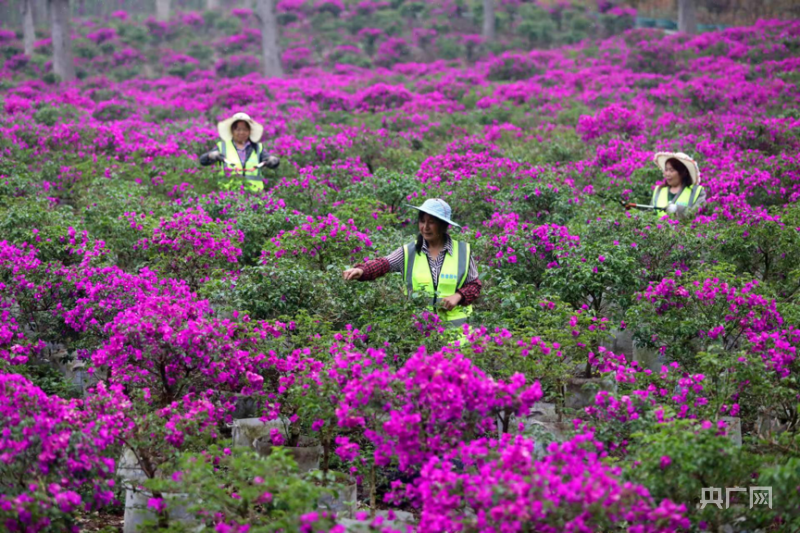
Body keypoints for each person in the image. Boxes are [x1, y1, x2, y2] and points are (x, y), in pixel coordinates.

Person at [342, 198, 481, 329]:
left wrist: (458, 296)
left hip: (456, 335)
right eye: (422, 221)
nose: (425, 227)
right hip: (420, 330)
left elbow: (474, 286)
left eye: (431, 222)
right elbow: (384, 263)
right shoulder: (409, 252)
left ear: (443, 225)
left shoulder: (463, 252)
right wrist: (362, 271)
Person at [199, 112, 280, 192]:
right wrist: (211, 155)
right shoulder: (222, 147)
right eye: (238, 129)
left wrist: (273, 160)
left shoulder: (257, 148)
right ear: (232, 131)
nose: (241, 132)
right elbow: (203, 160)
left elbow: (270, 160)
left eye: (245, 129)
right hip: (229, 195)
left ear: (249, 131)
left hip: (253, 196)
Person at [650, 151, 706, 217]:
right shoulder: (659, 190)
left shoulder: (696, 192)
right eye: (666, 170)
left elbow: (698, 211)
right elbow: (650, 213)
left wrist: (677, 209)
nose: (667, 174)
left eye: (671, 170)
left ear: (682, 173)